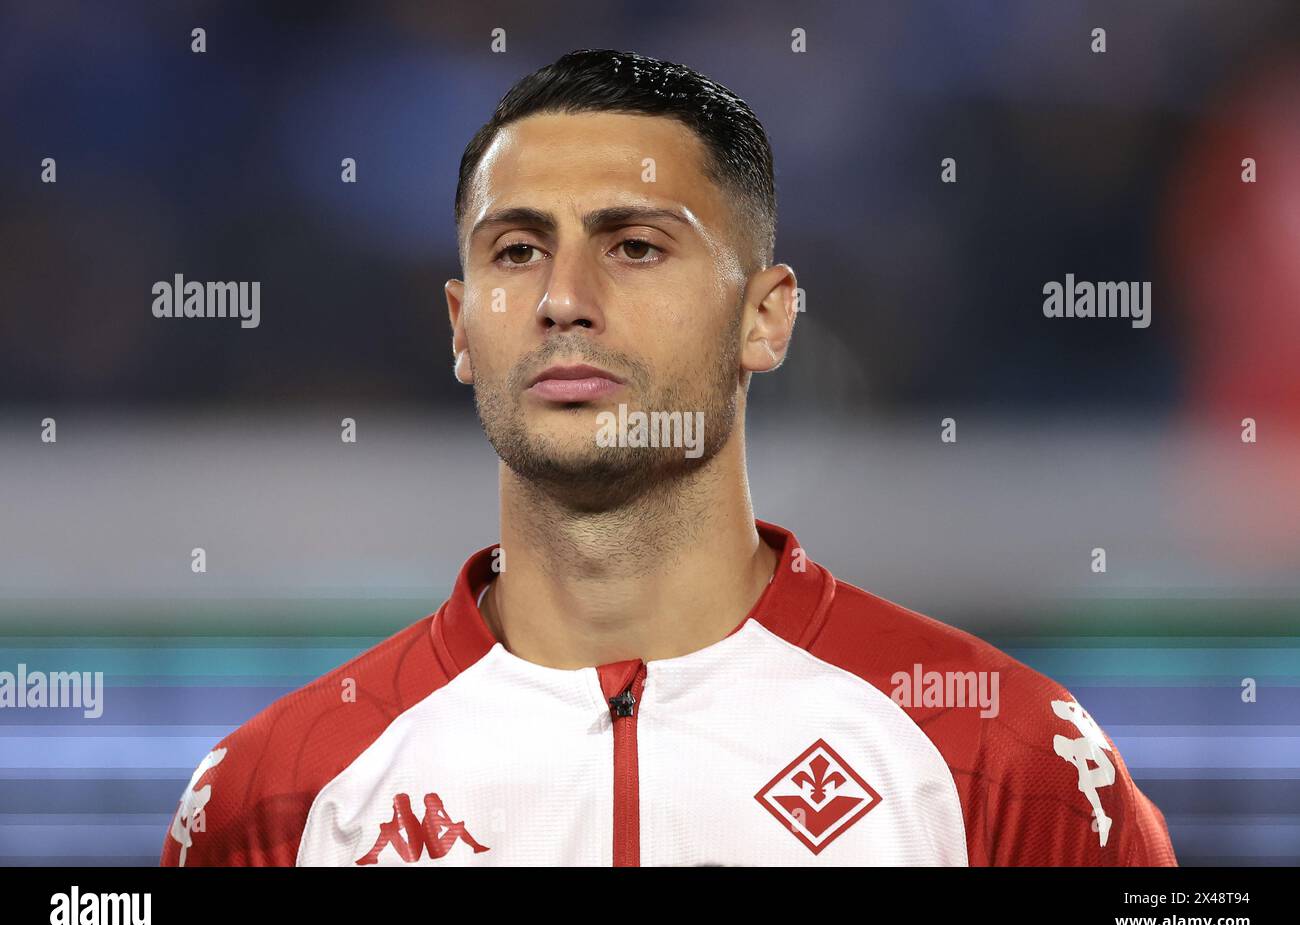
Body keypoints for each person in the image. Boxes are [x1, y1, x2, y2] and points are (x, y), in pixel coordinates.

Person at [161, 49, 1176, 867]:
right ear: (461, 326)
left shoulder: (1009, 760)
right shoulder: (276, 795)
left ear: (765, 317)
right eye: (516, 250)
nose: (563, 296)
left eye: (635, 245)